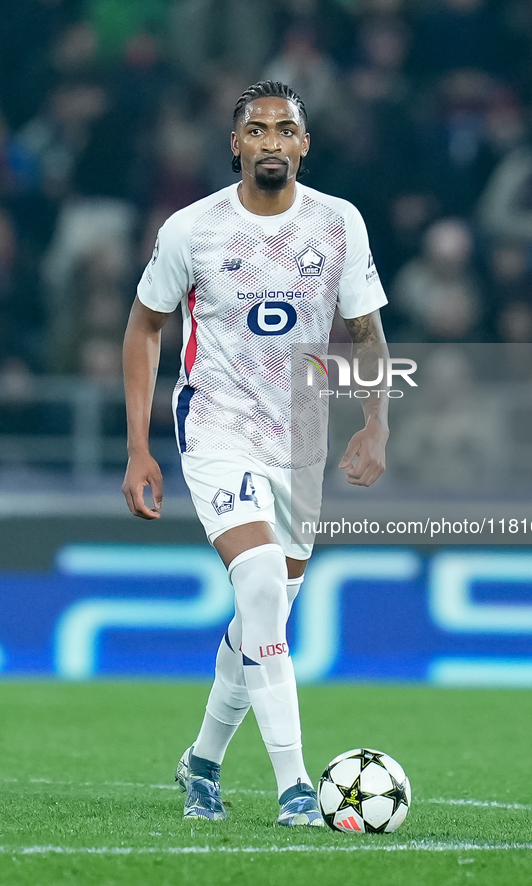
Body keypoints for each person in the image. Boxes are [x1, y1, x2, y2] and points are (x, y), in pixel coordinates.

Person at [121, 80, 389, 827]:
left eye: (285, 129)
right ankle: (296, 789)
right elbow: (144, 327)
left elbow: (364, 330)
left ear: (304, 143)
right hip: (216, 428)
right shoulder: (192, 229)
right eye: (256, 129)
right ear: (235, 143)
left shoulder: (338, 224)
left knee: (260, 618)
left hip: (301, 441)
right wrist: (139, 447)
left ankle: (201, 762)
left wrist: (376, 423)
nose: (271, 139)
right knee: (263, 584)